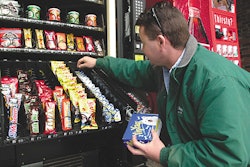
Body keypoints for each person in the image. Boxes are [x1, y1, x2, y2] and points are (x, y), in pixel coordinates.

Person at [77, 1, 250, 166]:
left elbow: (228, 156)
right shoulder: (169, 67)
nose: (142, 49)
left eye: (144, 43)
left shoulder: (217, 83)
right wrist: (100, 63)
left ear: (161, 42)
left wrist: (163, 154)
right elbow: (136, 70)